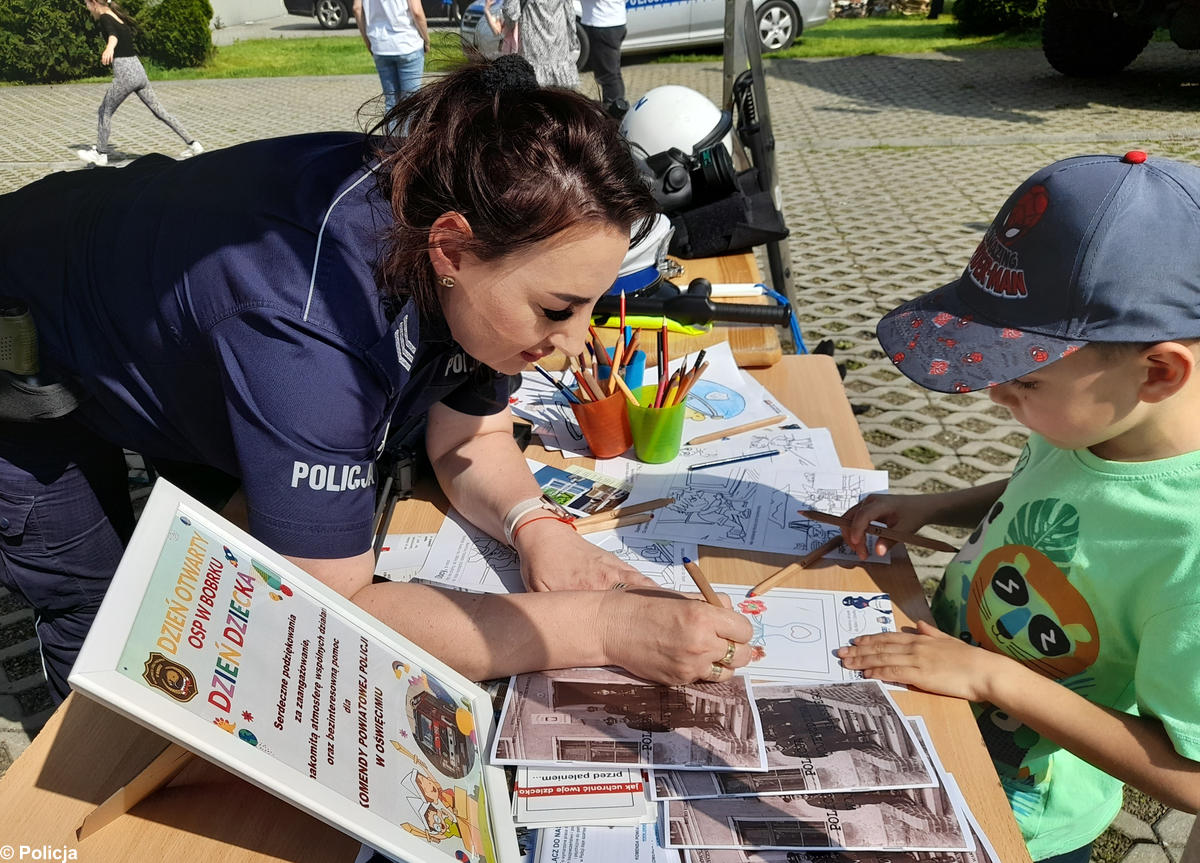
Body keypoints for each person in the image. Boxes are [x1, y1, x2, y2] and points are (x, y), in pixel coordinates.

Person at [0, 56, 752, 705]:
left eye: (593, 304)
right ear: (451, 249)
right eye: (558, 308)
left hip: (170, 318)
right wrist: (604, 628)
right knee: (99, 610)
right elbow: (333, 606)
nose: (575, 343)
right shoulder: (307, 320)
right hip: (30, 344)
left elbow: (469, 432)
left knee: (201, 584)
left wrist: (537, 527)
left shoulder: (478, 204)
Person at [835, 152, 1200, 862]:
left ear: (1157, 371)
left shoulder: (1189, 546)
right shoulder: (1096, 420)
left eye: (1023, 380)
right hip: (940, 701)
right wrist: (935, 503)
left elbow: (1190, 774)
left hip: (1022, 819)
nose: (991, 395)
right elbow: (1052, 488)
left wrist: (991, 675)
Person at [75, 0, 202, 167]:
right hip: (138, 70)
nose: (87, 8)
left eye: (87, 4)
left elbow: (113, 36)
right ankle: (194, 144)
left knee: (104, 111)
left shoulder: (106, 18)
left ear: (94, 4)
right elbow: (118, 33)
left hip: (126, 74)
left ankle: (100, 154)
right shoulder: (116, 15)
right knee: (160, 111)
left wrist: (109, 48)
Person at [353, 0, 430, 117]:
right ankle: (407, 136)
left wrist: (368, 41)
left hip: (380, 45)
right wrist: (426, 40)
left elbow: (357, 9)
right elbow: (417, 11)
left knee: (391, 103)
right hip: (408, 43)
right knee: (410, 103)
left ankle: (390, 135)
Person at [500, 0, 580, 88]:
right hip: (559, 36)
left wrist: (509, 24)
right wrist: (572, 38)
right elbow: (570, 12)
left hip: (533, 35)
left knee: (534, 90)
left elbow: (510, 11)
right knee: (559, 91)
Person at [580, 0, 627, 111]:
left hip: (604, 24)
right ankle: (616, 109)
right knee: (610, 73)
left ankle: (615, 114)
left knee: (609, 76)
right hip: (607, 21)